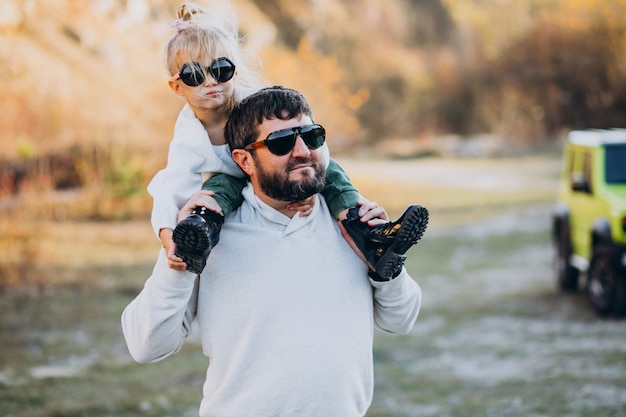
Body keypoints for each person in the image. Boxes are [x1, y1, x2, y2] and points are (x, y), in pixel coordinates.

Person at [122, 86, 423, 417]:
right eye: (281, 143)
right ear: (244, 160)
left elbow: (401, 319)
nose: (302, 150)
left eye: (311, 136)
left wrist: (385, 267)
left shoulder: (354, 225)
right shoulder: (208, 231)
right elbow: (146, 345)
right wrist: (179, 257)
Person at [149, 2, 429, 276]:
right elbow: (171, 187)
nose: (210, 81)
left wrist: (309, 187)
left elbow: (305, 137)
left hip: (277, 170)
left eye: (221, 70)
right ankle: (199, 236)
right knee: (213, 191)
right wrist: (167, 236)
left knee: (331, 170)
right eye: (194, 75)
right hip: (233, 180)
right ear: (176, 86)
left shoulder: (255, 104)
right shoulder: (189, 135)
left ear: (234, 70)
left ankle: (368, 232)